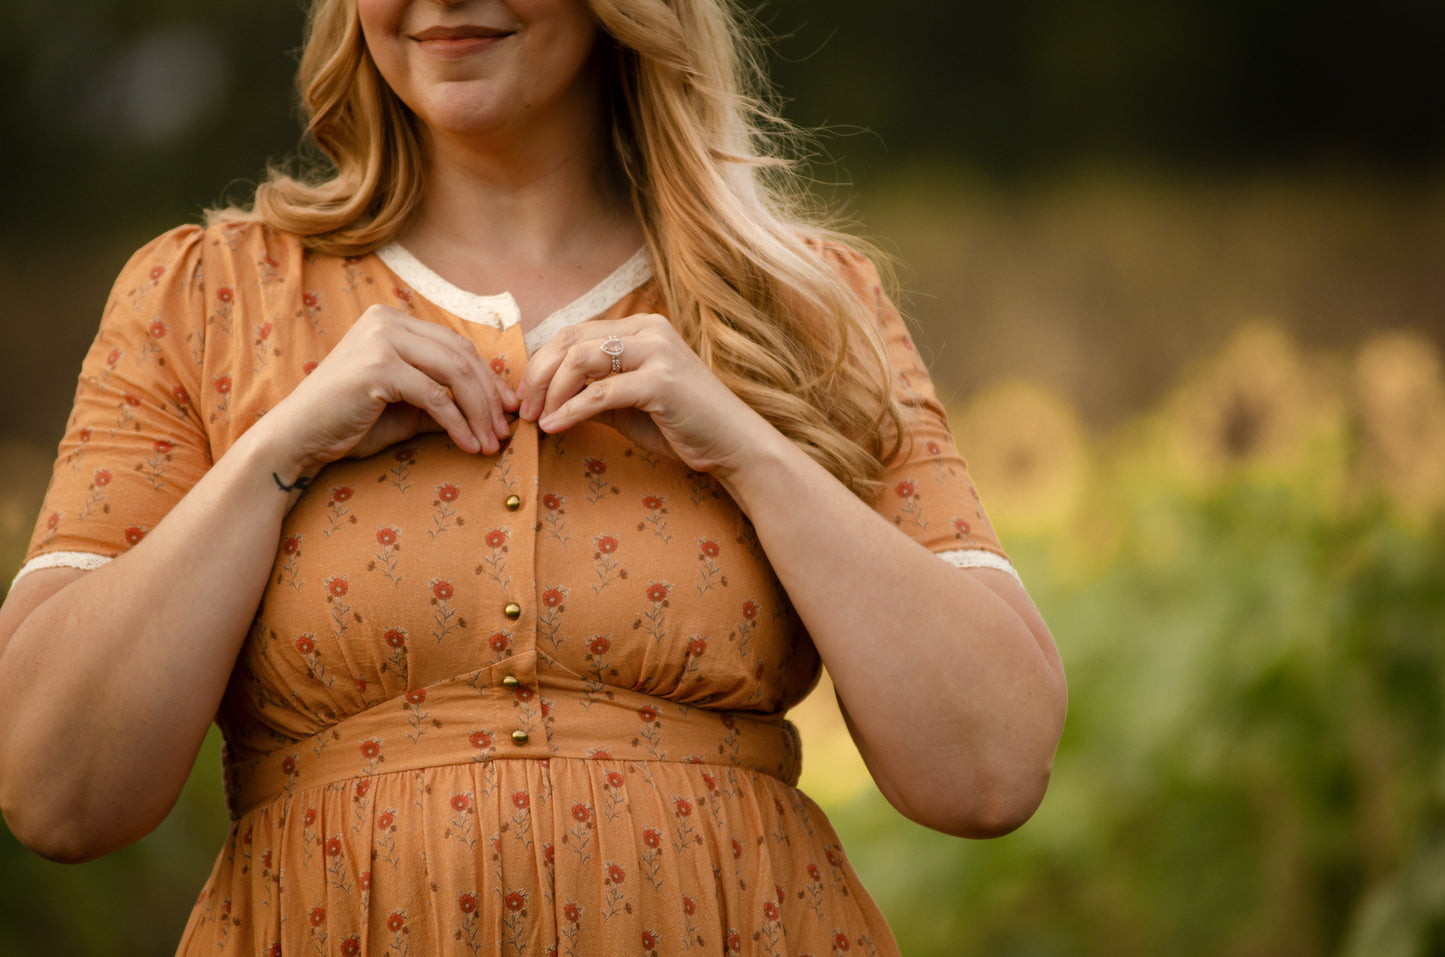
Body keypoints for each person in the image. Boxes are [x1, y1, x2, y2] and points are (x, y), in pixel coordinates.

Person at [0, 0, 1067, 953]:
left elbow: (988, 769)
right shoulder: (201, 299)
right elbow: (56, 793)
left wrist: (749, 447)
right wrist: (275, 450)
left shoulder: (801, 306)